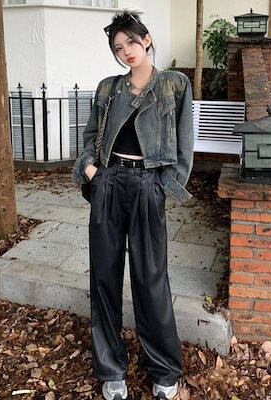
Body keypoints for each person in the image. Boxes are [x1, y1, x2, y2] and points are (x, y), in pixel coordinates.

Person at [71, 8, 194, 400]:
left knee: (151, 279)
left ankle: (164, 369)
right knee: (104, 278)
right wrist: (92, 172)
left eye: (131, 41)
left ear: (147, 39)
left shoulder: (174, 84)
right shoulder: (108, 88)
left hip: (147, 185)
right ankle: (111, 369)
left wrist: (163, 187)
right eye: (118, 47)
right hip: (109, 183)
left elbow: (185, 145)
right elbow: (90, 137)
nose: (126, 51)